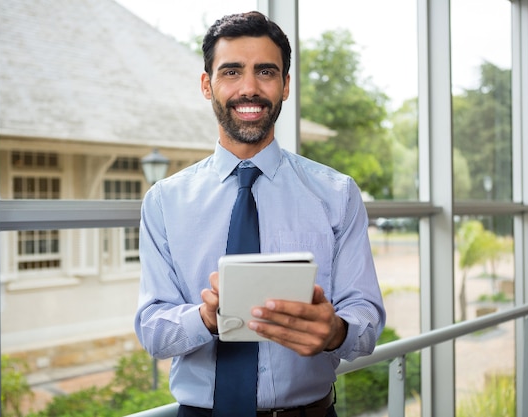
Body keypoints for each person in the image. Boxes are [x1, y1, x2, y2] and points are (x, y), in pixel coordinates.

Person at [135, 11, 386, 417]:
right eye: (231, 72)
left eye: (265, 72)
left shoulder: (337, 194)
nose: (249, 89)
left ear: (285, 86)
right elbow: (152, 330)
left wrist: (336, 331)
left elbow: (366, 321)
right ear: (207, 84)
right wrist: (205, 317)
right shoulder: (164, 201)